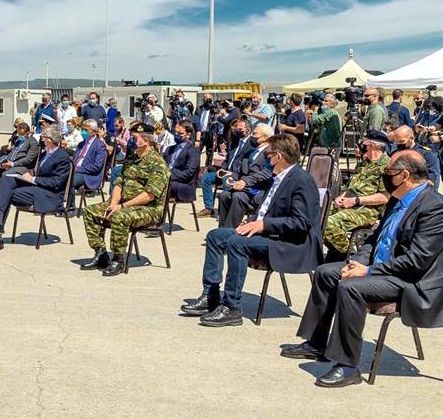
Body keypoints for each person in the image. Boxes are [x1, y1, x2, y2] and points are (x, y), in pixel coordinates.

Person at [283, 151, 443, 388]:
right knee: (327, 273)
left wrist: (367, 272)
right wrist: (357, 262)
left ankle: (347, 365)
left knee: (351, 287)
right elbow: (373, 240)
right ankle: (316, 344)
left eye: (388, 173)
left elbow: (417, 261)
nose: (384, 177)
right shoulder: (397, 199)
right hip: (381, 268)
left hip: (410, 280)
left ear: (404, 175)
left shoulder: (434, 208)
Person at [180, 134, 323, 326]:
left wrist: (262, 225)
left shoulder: (301, 181)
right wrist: (251, 222)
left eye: (268, 155)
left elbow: (301, 223)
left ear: (278, 157)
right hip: (269, 233)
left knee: (237, 243)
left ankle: (232, 307)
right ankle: (211, 295)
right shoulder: (277, 177)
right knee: (215, 236)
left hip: (291, 243)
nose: (265, 159)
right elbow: (266, 210)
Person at [80, 122, 170, 276]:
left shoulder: (158, 164)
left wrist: (121, 207)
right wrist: (114, 203)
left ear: (146, 141)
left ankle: (118, 259)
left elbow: (149, 195)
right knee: (90, 211)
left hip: (148, 209)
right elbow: (119, 183)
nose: (131, 141)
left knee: (120, 216)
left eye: (135, 138)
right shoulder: (131, 159)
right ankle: (101, 254)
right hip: (123, 204)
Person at [0, 125, 72, 252]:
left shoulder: (62, 157)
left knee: (6, 194)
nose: (41, 139)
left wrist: (33, 179)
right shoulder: (45, 154)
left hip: (49, 195)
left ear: (51, 139)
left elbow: (56, 182)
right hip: (38, 188)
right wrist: (24, 176)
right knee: (6, 180)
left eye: (44, 137)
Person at [322, 129, 390, 261]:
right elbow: (350, 187)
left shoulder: (386, 166)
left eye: (364, 143)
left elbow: (385, 197)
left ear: (372, 145)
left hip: (366, 209)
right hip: (349, 203)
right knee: (318, 215)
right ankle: (335, 250)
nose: (360, 145)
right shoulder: (363, 164)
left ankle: (345, 254)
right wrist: (341, 197)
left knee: (330, 223)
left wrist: (356, 200)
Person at [217, 124, 274, 228]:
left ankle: (229, 233)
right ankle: (221, 231)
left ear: (265, 138)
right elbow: (241, 171)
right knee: (223, 195)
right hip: (243, 187)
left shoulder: (269, 154)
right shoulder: (251, 152)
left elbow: (266, 173)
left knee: (238, 197)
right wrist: (232, 177)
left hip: (257, 190)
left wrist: (245, 181)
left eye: (255, 134)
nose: (252, 136)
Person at [199, 119, 253, 217]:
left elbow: (246, 164)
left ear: (248, 130)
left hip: (237, 174)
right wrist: (222, 168)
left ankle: (225, 210)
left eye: (239, 129)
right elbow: (227, 159)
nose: (236, 130)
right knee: (206, 178)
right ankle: (209, 208)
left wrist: (231, 173)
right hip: (226, 170)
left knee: (226, 179)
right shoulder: (235, 142)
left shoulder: (251, 145)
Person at [67, 119, 107, 214]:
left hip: (88, 174)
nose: (83, 132)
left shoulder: (99, 146)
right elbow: (75, 159)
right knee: (59, 177)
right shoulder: (81, 144)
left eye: (86, 130)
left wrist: (78, 169)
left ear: (93, 131)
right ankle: (57, 205)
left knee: (70, 182)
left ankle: (71, 208)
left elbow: (97, 166)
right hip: (76, 170)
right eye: (82, 129)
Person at [163, 120, 201, 205]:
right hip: (167, 180)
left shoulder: (193, 151)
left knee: (159, 186)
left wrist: (169, 175)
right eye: (175, 132)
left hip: (183, 185)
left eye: (180, 134)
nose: (176, 135)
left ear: (188, 134)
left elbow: (188, 173)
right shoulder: (170, 149)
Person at [391, 125, 440, 190]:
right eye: (396, 141)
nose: (398, 144)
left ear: (411, 138)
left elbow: (432, 175)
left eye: (402, 141)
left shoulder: (425, 153)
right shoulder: (396, 151)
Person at [195, 92, 216, 166]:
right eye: (205, 98)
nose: (207, 100)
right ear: (203, 99)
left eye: (209, 99)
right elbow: (196, 120)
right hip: (200, 133)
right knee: (197, 152)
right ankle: (196, 167)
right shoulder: (199, 108)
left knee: (209, 153)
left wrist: (213, 108)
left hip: (209, 134)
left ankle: (208, 168)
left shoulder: (213, 110)